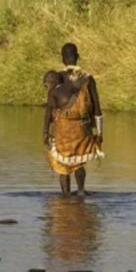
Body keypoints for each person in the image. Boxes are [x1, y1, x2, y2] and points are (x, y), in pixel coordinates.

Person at [42, 42, 104, 196]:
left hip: (62, 128)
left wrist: (45, 131)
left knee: (63, 164)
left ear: (62, 58)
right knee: (79, 161)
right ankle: (81, 192)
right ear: (77, 57)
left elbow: (50, 108)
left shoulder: (56, 78)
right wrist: (99, 131)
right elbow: (97, 107)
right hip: (83, 127)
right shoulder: (88, 79)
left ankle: (65, 196)